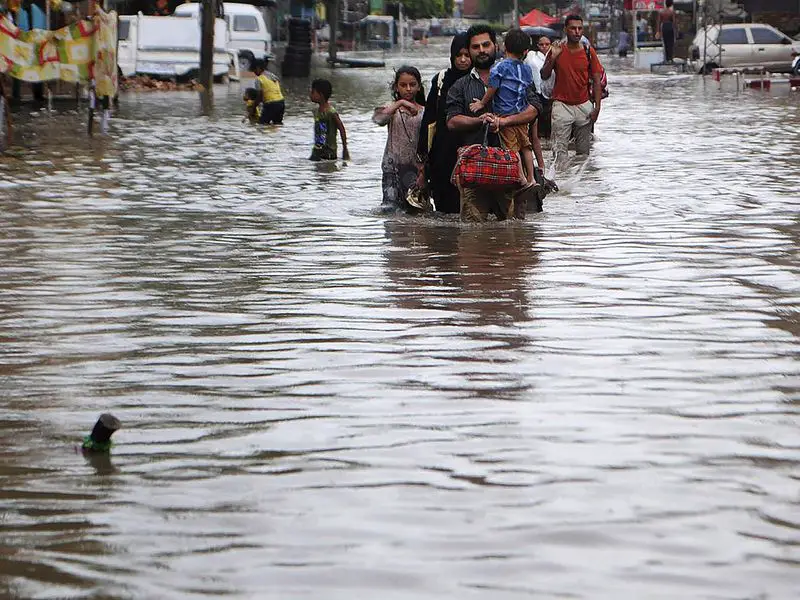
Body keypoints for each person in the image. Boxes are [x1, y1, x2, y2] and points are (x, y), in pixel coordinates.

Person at [446, 24, 542, 223]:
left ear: (496, 46)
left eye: (486, 45)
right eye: (475, 47)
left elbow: (534, 108)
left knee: (515, 234)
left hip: (512, 173)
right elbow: (452, 121)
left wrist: (504, 121)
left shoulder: (519, 74)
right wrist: (479, 120)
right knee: (473, 235)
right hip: (475, 170)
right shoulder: (461, 85)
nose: (481, 50)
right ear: (470, 51)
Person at [469, 28, 535, 189]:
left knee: (512, 150)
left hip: (504, 115)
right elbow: (528, 87)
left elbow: (492, 88)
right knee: (526, 147)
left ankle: (521, 179)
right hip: (521, 113)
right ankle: (532, 178)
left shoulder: (500, 68)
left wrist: (482, 103)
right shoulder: (526, 69)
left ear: (504, 47)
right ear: (525, 51)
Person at [416, 32, 471, 214]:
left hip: (471, 153)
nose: (463, 60)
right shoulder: (440, 80)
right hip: (442, 156)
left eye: (467, 55)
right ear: (452, 56)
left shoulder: (481, 80)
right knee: (444, 211)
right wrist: (423, 159)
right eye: (458, 55)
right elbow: (429, 119)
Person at [540, 14, 604, 165]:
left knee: (584, 154)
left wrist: (597, 108)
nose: (577, 32)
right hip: (561, 106)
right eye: (573, 28)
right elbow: (544, 75)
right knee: (559, 152)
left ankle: (582, 186)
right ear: (565, 30)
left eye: (580, 28)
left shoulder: (589, 51)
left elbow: (597, 81)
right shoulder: (556, 49)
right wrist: (553, 57)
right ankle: (562, 185)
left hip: (584, 106)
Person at [373, 66, 426, 212]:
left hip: (416, 168)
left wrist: (424, 170)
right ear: (396, 87)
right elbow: (378, 119)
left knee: (416, 209)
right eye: (403, 85)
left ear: (419, 87)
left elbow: (429, 142)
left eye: (412, 85)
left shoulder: (424, 112)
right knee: (390, 209)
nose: (408, 89)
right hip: (392, 168)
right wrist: (400, 103)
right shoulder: (391, 110)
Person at [308, 78, 349, 161]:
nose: (310, 95)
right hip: (317, 151)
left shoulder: (331, 112)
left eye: (313, 92)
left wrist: (345, 149)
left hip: (329, 153)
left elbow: (341, 129)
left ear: (321, 95)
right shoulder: (316, 111)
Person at [525, 35, 555, 139]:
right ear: (538, 45)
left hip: (552, 93)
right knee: (539, 119)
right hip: (537, 92)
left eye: (547, 44)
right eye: (541, 44)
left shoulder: (554, 56)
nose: (544, 46)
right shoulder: (532, 57)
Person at [253, 60, 285, 125]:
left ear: (258, 68)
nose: (254, 72)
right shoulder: (272, 75)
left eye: (254, 70)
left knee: (262, 125)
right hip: (281, 102)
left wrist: (254, 107)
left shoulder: (259, 79)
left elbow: (259, 96)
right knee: (277, 124)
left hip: (271, 104)